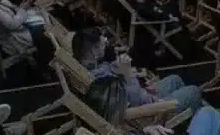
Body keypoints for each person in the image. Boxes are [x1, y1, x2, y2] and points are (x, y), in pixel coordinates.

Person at [72, 29, 203, 112]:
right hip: (147, 110)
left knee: (175, 79)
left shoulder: (91, 68)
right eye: (102, 44)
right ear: (94, 51)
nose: (106, 41)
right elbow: (135, 99)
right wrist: (127, 72)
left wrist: (118, 65)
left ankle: (189, 121)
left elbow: (111, 71)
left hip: (143, 96)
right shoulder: (100, 80)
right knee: (194, 91)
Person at [85, 75, 220, 135]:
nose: (128, 104)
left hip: (147, 117)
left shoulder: (108, 131)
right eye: (124, 102)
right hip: (154, 109)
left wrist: (144, 132)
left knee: (210, 118)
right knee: (207, 115)